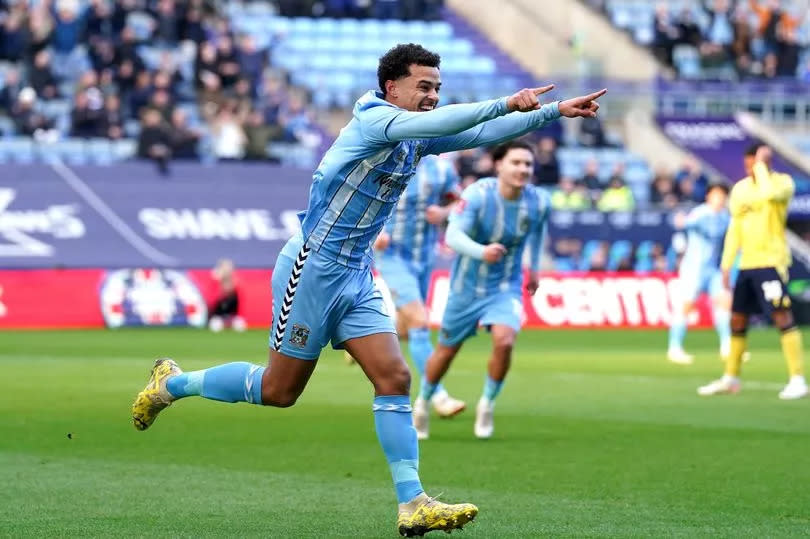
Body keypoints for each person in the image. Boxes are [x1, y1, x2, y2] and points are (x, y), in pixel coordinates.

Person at [131, 43, 606, 536]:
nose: (432, 96)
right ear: (391, 88)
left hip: (356, 272)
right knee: (279, 391)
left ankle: (413, 503)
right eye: (424, 86)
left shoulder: (413, 137)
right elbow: (454, 122)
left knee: (395, 378)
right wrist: (509, 100)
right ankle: (172, 384)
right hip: (312, 269)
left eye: (437, 88)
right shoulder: (374, 122)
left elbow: (479, 131)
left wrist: (551, 112)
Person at [413, 140, 550, 440]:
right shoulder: (477, 195)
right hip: (466, 287)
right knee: (447, 351)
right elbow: (452, 234)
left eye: (528, 164)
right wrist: (481, 251)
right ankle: (423, 402)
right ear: (498, 165)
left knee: (504, 341)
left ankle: (487, 403)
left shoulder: (539, 201)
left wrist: (535, 269)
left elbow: (538, 233)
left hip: (506, 286)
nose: (523, 169)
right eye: (516, 162)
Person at [698, 144, 807, 399]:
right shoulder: (740, 190)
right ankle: (731, 378)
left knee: (782, 315)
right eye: (748, 165)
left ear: (766, 162)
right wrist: (726, 263)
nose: (750, 170)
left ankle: (797, 379)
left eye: (754, 164)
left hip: (771, 261)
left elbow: (768, 195)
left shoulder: (782, 183)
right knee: (737, 318)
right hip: (747, 264)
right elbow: (735, 228)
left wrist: (762, 167)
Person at [370, 154, 467, 418]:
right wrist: (376, 231)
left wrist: (444, 213)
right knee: (420, 321)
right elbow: (365, 199)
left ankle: (363, 345)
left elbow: (458, 201)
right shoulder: (387, 159)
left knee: (406, 325)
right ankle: (437, 395)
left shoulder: (441, 168)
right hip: (392, 256)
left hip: (424, 257)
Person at [667, 182, 732, 364]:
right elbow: (682, 223)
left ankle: (727, 347)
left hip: (712, 269)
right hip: (693, 269)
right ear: (708, 196)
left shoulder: (724, 217)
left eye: (722, 196)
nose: (720, 199)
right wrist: (680, 221)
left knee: (724, 302)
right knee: (686, 306)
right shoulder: (701, 213)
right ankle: (675, 347)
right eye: (716, 195)